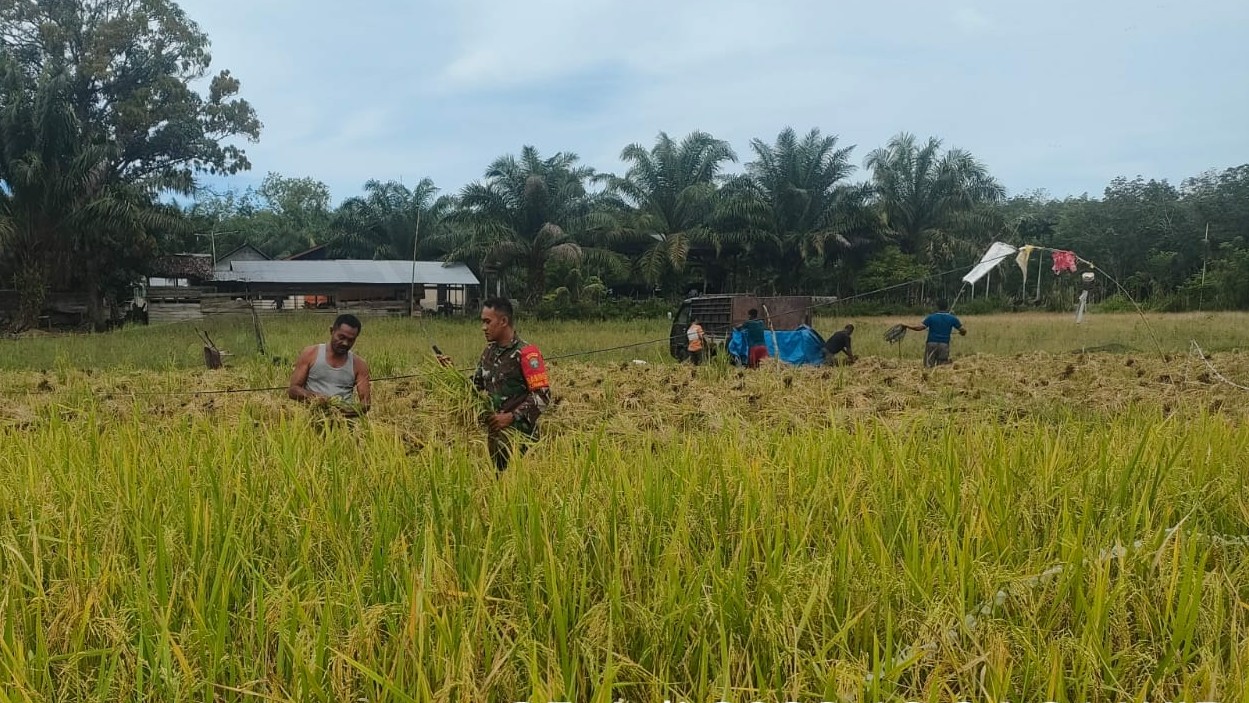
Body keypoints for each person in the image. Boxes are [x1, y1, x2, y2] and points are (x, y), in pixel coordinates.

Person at [439, 297, 551, 472]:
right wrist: (451, 371)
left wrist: (511, 417)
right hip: (496, 440)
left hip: (521, 442)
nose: (483, 327)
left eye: (487, 321)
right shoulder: (489, 353)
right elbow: (473, 388)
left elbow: (542, 395)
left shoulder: (527, 353)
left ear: (504, 321)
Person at [288, 314, 371, 416]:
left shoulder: (359, 364)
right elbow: (293, 390)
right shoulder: (310, 353)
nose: (345, 343)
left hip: (345, 421)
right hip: (312, 417)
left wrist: (343, 412)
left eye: (351, 340)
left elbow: (366, 403)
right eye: (341, 337)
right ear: (332, 331)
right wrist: (314, 397)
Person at [906, 300, 966, 367]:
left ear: (937, 307)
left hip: (931, 343)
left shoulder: (931, 317)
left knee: (928, 366)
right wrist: (962, 333)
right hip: (944, 345)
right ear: (947, 307)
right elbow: (963, 330)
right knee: (942, 367)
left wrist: (907, 326)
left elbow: (919, 328)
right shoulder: (952, 318)